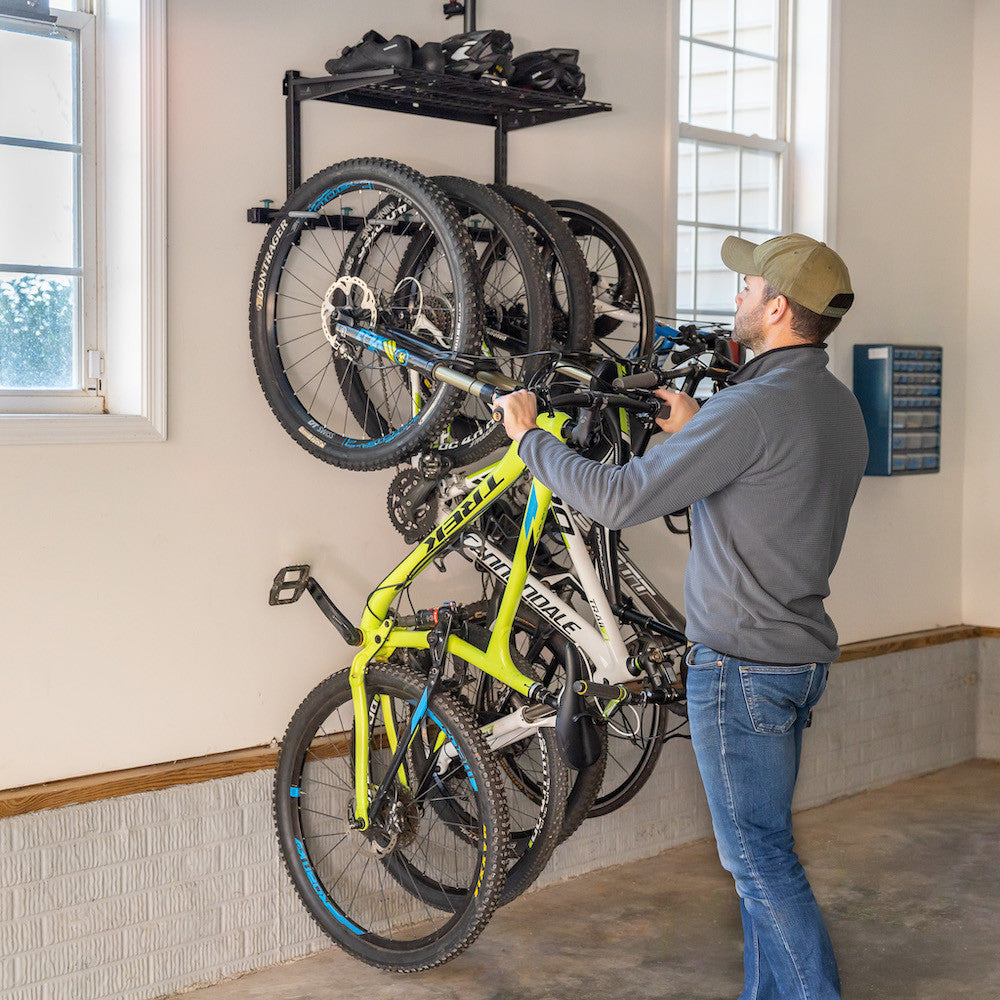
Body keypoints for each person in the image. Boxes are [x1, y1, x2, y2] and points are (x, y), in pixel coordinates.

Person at [495, 233, 869, 1000]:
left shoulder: (752, 408)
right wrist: (702, 425)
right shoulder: (833, 404)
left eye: (747, 287)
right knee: (760, 852)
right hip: (796, 661)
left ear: (777, 307)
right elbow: (770, 485)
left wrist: (531, 438)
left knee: (758, 863)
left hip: (740, 667)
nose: (737, 297)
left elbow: (617, 498)